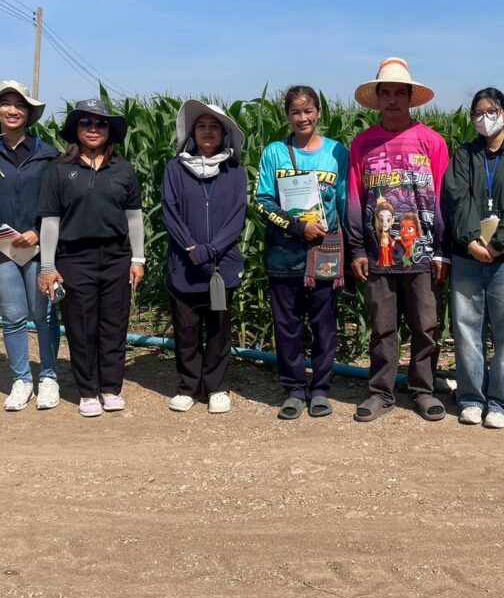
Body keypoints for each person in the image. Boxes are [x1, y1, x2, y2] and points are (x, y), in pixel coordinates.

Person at [347, 57, 450, 422]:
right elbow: (355, 198)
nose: (392, 100)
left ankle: (423, 390)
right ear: (378, 98)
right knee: (382, 327)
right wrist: (357, 248)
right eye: (385, 93)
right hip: (379, 253)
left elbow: (443, 199)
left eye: (399, 93)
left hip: (422, 253)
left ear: (409, 98)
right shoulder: (363, 144)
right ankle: (381, 392)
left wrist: (442, 250)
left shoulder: (432, 142)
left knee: (426, 326)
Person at [442, 87, 504, 429]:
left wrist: (499, 243)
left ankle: (502, 402)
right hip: (468, 256)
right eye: (478, 113)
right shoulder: (464, 154)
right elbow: (457, 198)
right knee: (466, 329)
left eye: (492, 111)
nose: (485, 118)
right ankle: (471, 398)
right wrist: (472, 240)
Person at [36, 99, 145, 417]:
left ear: (110, 130)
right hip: (74, 257)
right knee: (81, 325)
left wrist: (138, 259)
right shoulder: (58, 170)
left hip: (116, 257)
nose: (93, 128)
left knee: (114, 323)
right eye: (86, 122)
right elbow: (50, 221)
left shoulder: (123, 169)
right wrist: (47, 266)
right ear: (76, 129)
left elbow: (135, 218)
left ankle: (111, 388)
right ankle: (87, 392)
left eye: (100, 123)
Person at [254, 86, 349, 419]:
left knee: (324, 325)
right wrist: (297, 227)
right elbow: (262, 202)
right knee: (287, 325)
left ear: (319, 112)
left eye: (308, 110)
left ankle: (321, 388)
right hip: (284, 254)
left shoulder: (337, 152)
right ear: (287, 116)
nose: (303, 117)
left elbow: (344, 202)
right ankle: (294, 389)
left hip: (324, 252)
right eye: (296, 112)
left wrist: (349, 251)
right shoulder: (275, 153)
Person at [0, 80, 61, 411]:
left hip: (39, 246)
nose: (13, 110)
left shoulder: (48, 154)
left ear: (29, 113)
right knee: (12, 315)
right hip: (1, 247)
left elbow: (56, 202)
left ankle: (49, 377)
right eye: (6, 104)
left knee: (43, 313)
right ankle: (22, 379)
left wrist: (36, 232)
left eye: (20, 105)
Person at [162, 100, 248, 415]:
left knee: (218, 329)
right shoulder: (175, 168)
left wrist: (211, 249)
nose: (207, 132)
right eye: (201, 126)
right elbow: (169, 210)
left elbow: (238, 216)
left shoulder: (234, 171)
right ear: (192, 132)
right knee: (186, 329)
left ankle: (216, 386)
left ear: (224, 134)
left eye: (214, 127)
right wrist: (191, 247)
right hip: (184, 264)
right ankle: (188, 386)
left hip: (222, 265)